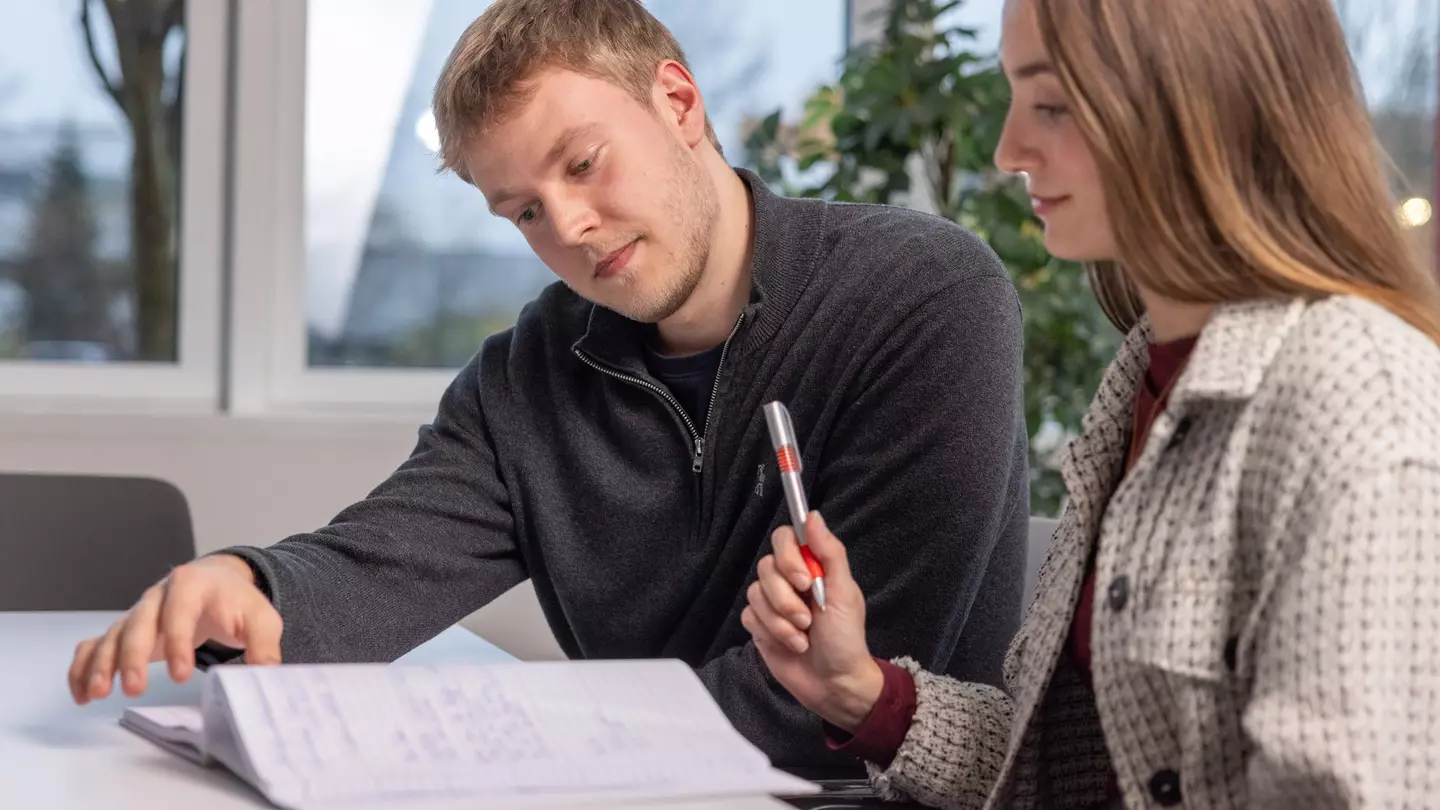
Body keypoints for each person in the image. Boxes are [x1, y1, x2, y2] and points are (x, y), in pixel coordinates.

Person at [66, 0, 1032, 770]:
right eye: (524, 209)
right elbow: (382, 564)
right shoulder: (526, 377)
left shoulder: (923, 297)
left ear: (680, 103)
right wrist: (252, 586)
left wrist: (544, 729)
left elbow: (859, 682)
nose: (566, 225)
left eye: (583, 163)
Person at [743, 0, 1440, 803]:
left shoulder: (1357, 407)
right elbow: (1072, 769)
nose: (1008, 150)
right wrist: (860, 693)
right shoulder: (1147, 376)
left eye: (1053, 105)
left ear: (1196, 105)